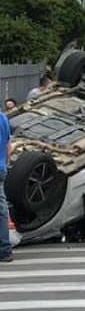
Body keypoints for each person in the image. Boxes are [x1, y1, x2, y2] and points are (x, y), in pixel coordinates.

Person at [0, 104, 12, 262]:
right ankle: (4, 250)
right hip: (0, 168)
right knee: (1, 211)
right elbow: (9, 146)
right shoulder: (2, 117)